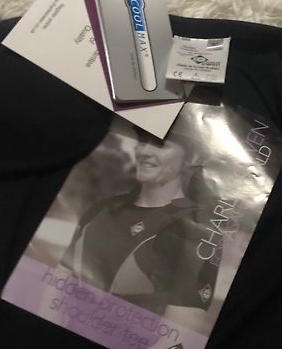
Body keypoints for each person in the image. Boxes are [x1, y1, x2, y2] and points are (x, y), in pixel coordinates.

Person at [59, 125, 218, 316]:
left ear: (190, 159)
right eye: (142, 141)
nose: (144, 151)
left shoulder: (195, 230)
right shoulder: (101, 208)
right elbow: (60, 280)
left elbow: (183, 325)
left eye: (160, 144)